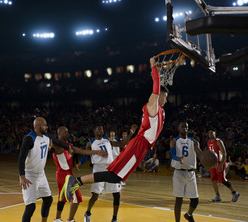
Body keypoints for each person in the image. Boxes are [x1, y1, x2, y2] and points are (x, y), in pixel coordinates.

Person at [60, 56, 168, 206]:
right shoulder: (154, 106)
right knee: (115, 176)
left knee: (116, 177)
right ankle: (76, 181)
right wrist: (153, 67)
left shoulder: (161, 111)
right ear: (160, 95)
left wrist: (159, 71)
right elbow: (156, 87)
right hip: (139, 143)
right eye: (165, 96)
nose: (166, 100)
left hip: (142, 145)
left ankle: (77, 181)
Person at [18, 117, 69, 222]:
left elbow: (57, 142)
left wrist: (69, 147)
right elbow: (21, 158)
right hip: (29, 175)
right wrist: (22, 176)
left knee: (48, 199)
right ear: (36, 126)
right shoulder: (29, 139)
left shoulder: (46, 138)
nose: (47, 127)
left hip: (41, 174)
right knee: (30, 206)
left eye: (46, 125)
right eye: (44, 125)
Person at [51, 126, 108, 222]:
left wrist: (96, 152)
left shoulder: (69, 145)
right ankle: (70, 221)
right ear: (59, 133)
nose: (67, 132)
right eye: (65, 131)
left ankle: (57, 220)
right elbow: (51, 140)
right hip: (64, 174)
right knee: (77, 197)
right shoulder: (58, 145)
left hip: (64, 173)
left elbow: (81, 151)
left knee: (62, 197)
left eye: (68, 130)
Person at [82, 125, 136, 222]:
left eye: (102, 129)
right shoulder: (91, 142)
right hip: (98, 168)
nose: (101, 131)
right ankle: (87, 213)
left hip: (110, 168)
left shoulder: (107, 140)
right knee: (95, 195)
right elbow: (85, 154)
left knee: (116, 194)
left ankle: (114, 220)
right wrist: (80, 162)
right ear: (94, 131)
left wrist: (131, 133)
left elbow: (122, 144)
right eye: (98, 129)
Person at [170, 121, 203, 222]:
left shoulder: (194, 142)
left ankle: (189, 215)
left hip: (190, 173)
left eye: (187, 127)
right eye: (183, 126)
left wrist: (206, 158)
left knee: (195, 201)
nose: (185, 128)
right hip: (178, 173)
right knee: (179, 200)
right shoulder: (174, 140)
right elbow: (172, 153)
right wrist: (178, 158)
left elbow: (199, 153)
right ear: (178, 128)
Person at [207, 129, 241, 203]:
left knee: (222, 180)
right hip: (213, 163)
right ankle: (217, 196)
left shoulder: (219, 141)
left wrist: (222, 164)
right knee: (213, 180)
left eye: (212, 133)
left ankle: (235, 193)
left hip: (219, 162)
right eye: (209, 133)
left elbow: (224, 153)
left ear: (215, 134)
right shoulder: (208, 142)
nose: (210, 134)